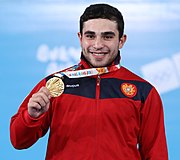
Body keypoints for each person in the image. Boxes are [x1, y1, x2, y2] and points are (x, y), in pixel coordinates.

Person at [10, 3, 168, 160]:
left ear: (121, 40)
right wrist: (31, 117)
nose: (98, 45)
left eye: (107, 36)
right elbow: (18, 141)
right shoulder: (56, 84)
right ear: (80, 38)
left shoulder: (143, 92)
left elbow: (156, 154)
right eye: (90, 36)